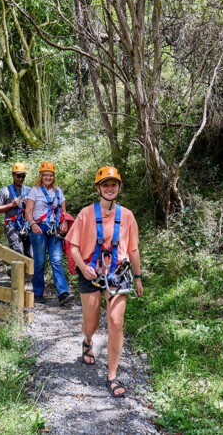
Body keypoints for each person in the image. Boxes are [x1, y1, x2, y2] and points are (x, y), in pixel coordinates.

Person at [66, 166, 143, 398]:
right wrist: (83, 267)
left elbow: (134, 249)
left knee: (116, 322)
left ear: (119, 187)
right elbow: (73, 247)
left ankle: (112, 375)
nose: (110, 188)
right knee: (92, 324)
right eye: (105, 185)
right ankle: (87, 341)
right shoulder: (86, 214)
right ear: (98, 188)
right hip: (91, 272)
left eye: (114, 185)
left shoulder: (127, 216)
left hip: (118, 273)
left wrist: (138, 278)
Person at [24, 161, 70, 305]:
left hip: (54, 229)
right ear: (41, 175)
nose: (48, 177)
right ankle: (38, 292)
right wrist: (32, 224)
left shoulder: (58, 191)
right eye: (45, 175)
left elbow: (63, 212)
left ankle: (63, 293)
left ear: (53, 176)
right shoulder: (35, 191)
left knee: (56, 260)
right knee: (39, 262)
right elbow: (28, 211)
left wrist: (64, 222)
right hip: (39, 228)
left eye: (50, 175)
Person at [0, 162, 32, 258]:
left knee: (30, 254)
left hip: (27, 225)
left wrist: (28, 204)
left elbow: (36, 209)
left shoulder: (29, 190)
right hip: (12, 225)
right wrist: (11, 205)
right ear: (13, 175)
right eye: (18, 176)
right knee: (18, 250)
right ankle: (18, 272)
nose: (20, 179)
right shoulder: (5, 191)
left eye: (23, 176)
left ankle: (25, 273)